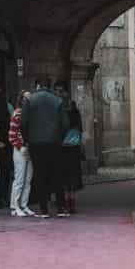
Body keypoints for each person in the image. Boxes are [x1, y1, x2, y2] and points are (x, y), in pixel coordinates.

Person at [20, 78, 65, 217]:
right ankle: (60, 207)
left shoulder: (30, 100)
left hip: (35, 143)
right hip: (54, 142)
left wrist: (27, 139)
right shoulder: (57, 100)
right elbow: (65, 123)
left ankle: (43, 208)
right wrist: (59, 138)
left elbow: (23, 123)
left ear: (37, 86)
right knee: (56, 174)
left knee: (39, 174)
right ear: (49, 86)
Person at [56, 84, 84, 216]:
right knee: (71, 177)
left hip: (63, 148)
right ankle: (70, 202)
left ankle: (66, 202)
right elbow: (80, 130)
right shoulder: (75, 113)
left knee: (64, 177)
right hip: (73, 148)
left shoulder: (60, 112)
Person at [8, 90, 34, 216]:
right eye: (26, 98)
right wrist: (20, 146)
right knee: (19, 178)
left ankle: (24, 204)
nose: (29, 100)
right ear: (21, 100)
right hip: (20, 149)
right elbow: (12, 135)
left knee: (28, 179)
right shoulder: (17, 114)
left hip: (29, 148)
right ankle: (14, 206)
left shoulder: (32, 113)